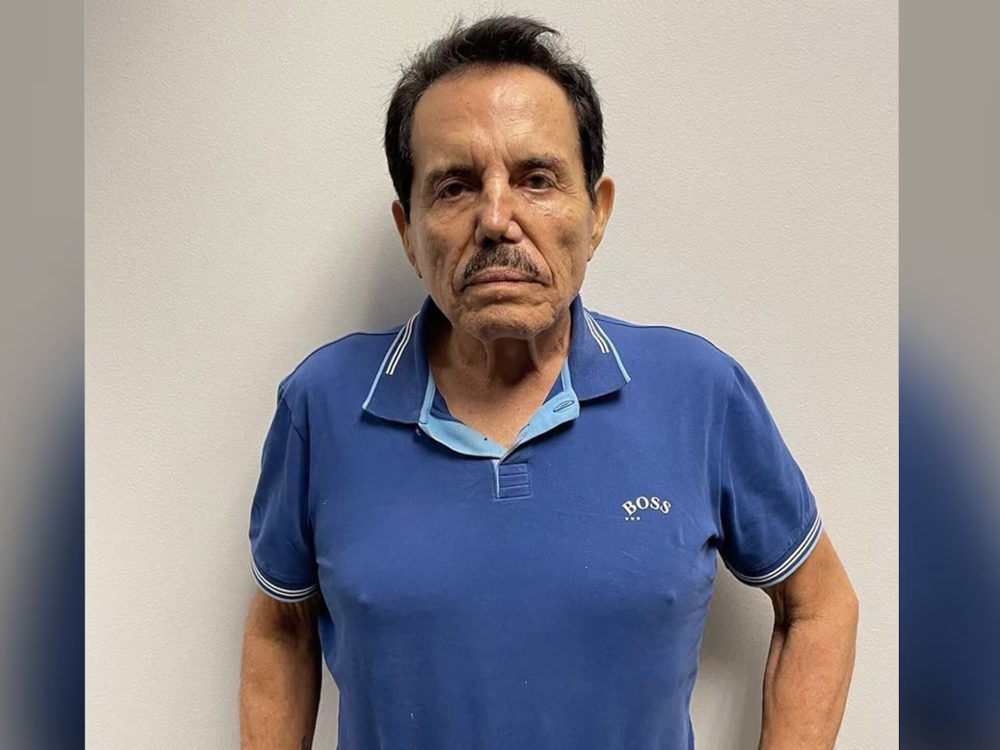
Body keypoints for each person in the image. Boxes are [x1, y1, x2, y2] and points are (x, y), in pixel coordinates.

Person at [239, 15, 858, 749]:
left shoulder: (698, 394)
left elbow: (820, 605)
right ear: (408, 230)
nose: (497, 219)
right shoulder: (323, 405)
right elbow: (281, 629)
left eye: (536, 180)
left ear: (596, 214)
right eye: (455, 187)